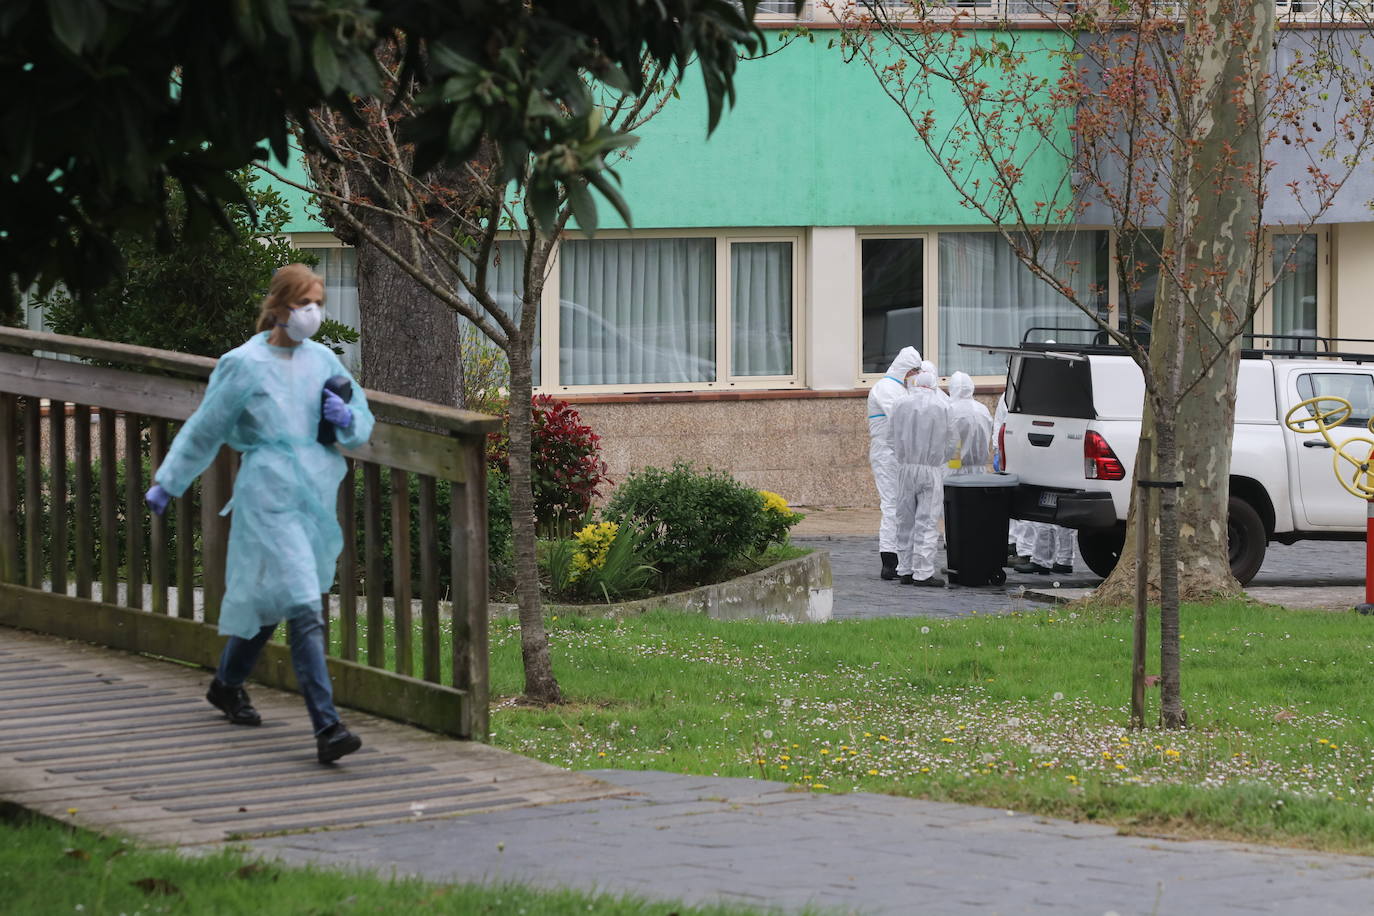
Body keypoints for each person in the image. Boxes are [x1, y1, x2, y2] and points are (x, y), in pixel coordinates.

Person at [144, 264, 375, 764]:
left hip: (314, 494)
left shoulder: (322, 363)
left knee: (279, 600)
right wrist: (169, 480)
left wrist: (348, 419)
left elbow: (361, 421)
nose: (313, 313)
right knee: (305, 604)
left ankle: (226, 684)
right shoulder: (243, 364)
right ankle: (327, 726)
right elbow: (207, 427)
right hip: (268, 493)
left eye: (319, 302)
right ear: (279, 307)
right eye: (304, 303)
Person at [888, 369, 953, 587]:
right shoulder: (943, 405)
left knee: (904, 519)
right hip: (930, 468)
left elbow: (889, 437)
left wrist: (902, 456)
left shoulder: (900, 403)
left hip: (905, 468)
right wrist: (941, 460)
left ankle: (904, 569)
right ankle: (922, 572)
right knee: (926, 521)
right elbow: (952, 442)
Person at [867, 346, 923, 580]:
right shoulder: (885, 388)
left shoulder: (899, 388)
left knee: (903, 506)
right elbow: (902, 418)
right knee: (891, 504)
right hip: (887, 454)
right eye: (915, 372)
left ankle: (901, 557)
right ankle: (889, 558)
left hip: (900, 455)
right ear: (906, 370)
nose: (917, 377)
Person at [946, 371, 992, 476]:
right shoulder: (983, 410)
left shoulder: (951, 410)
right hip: (979, 469)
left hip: (955, 469)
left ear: (952, 388)